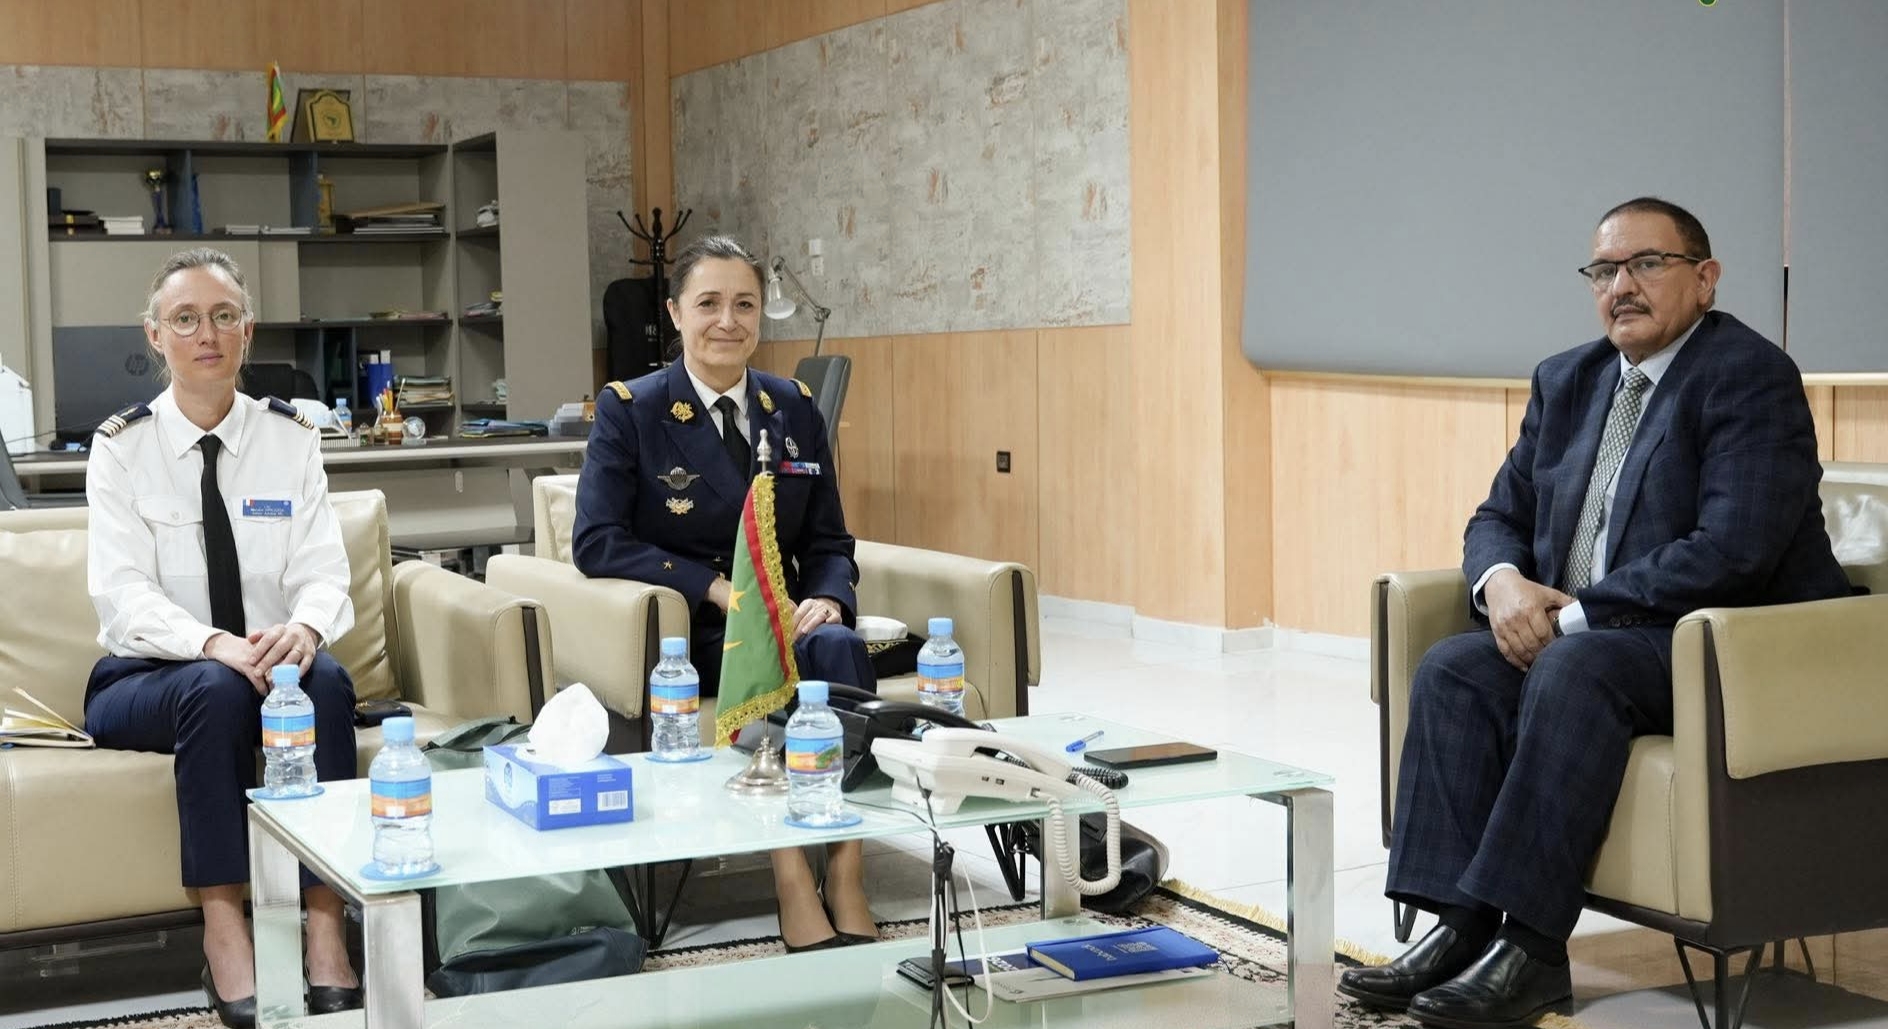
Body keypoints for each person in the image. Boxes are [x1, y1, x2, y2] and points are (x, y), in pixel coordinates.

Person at [1339, 199, 1851, 1027]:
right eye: (1605, 270)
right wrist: (1503, 584)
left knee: (1576, 667)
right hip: (1603, 637)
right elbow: (1497, 514)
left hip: (1725, 644)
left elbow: (1734, 550)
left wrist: (1573, 617)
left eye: (1647, 264)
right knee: (1456, 668)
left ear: (1705, 278)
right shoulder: (1568, 379)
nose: (1622, 286)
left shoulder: (1749, 376)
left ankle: (1533, 948)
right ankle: (1461, 925)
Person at [573, 234, 879, 952]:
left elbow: (829, 539)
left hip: (791, 616)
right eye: (708, 303)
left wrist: (829, 597)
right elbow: (597, 541)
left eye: (744, 305)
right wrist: (713, 587)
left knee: (838, 647)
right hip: (699, 630)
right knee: (769, 660)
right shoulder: (632, 408)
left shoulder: (792, 405)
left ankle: (846, 868)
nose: (727, 321)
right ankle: (790, 876)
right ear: (676, 313)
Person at [84, 249, 363, 1028]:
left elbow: (323, 570)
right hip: (147, 678)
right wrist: (215, 643)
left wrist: (304, 627)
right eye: (185, 319)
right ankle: (224, 927)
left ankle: (325, 922)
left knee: (327, 680)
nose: (206, 333)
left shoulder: (292, 438)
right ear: (155, 335)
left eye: (223, 315)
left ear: (248, 330)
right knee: (214, 686)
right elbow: (122, 596)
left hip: (269, 670)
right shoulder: (121, 447)